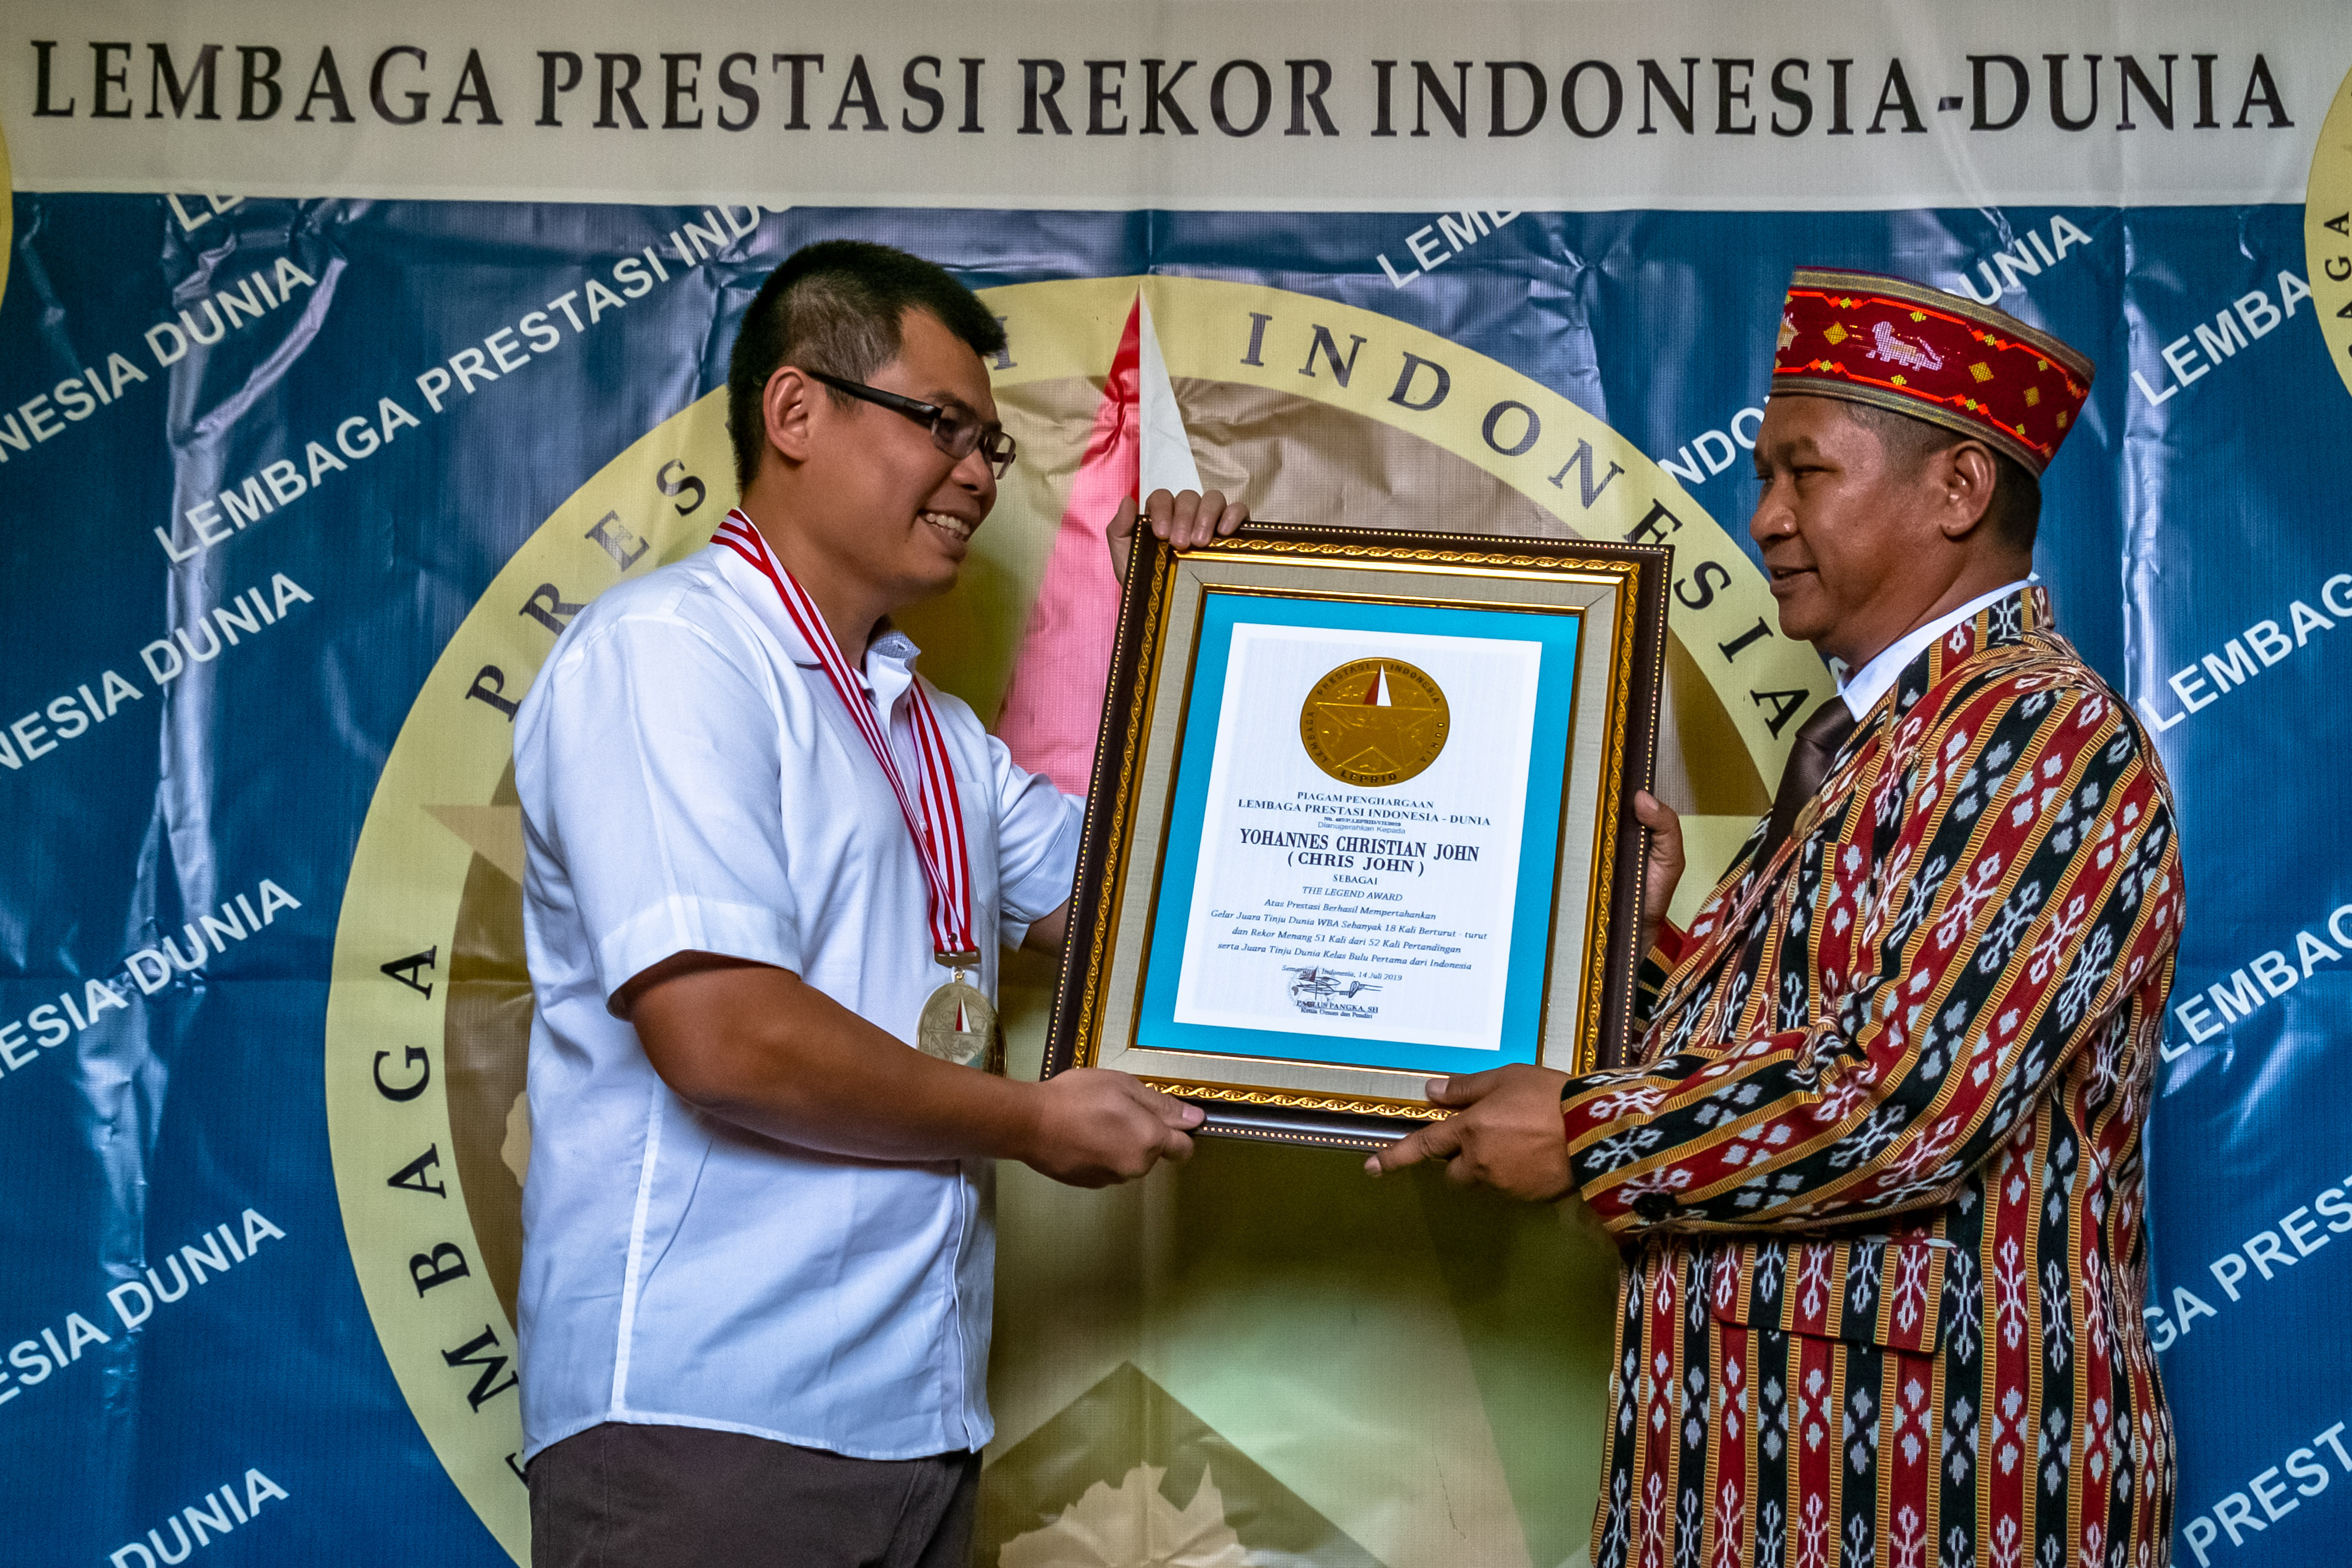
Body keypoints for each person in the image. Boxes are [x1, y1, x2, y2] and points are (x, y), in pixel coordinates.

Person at [1369, 268, 2182, 1568]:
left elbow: (1906, 1102)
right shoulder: (1872, 734)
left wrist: (1585, 1134)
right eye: (1763, 477)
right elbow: (1791, 1043)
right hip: (1745, 1469)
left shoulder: (2036, 728)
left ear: (1958, 489)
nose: (1763, 518)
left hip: (1933, 1490)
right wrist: (1644, 947)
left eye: (1805, 474)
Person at [512, 239, 1246, 1568]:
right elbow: (724, 1037)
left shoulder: (936, 732)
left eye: (990, 444)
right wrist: (1030, 1120)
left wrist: (1195, 627)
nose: (977, 473)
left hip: (912, 1426)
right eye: (941, 425)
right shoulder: (671, 651)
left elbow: (1164, 914)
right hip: (708, 1424)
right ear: (796, 412)